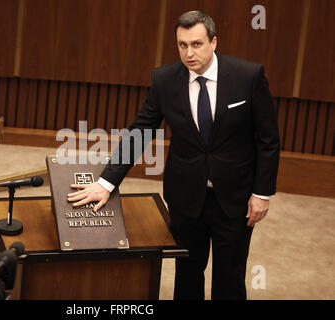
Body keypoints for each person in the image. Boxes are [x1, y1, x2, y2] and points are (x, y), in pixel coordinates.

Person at [67, 10, 280, 300]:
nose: (189, 53)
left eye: (196, 44)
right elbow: (140, 131)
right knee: (187, 274)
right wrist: (106, 182)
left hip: (236, 198)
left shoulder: (248, 76)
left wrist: (262, 193)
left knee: (229, 278)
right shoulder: (164, 79)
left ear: (213, 42)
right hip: (186, 197)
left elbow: (268, 140)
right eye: (182, 45)